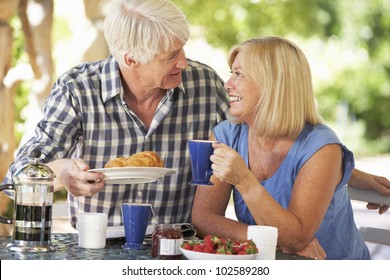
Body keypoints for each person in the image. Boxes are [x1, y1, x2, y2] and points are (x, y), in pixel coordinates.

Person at [2, 0, 389, 232]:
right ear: (130, 59)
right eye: (170, 56)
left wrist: (345, 168)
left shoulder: (204, 84)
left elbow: (271, 135)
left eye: (182, 49)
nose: (184, 63)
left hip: (186, 247)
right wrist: (61, 173)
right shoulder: (77, 89)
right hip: (100, 243)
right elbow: (19, 175)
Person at [192, 36, 372, 260]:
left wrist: (244, 180)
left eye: (238, 74)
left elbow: (295, 239)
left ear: (272, 83)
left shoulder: (322, 147)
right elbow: (203, 218)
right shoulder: (226, 135)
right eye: (231, 73)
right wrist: (263, 237)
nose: (228, 84)